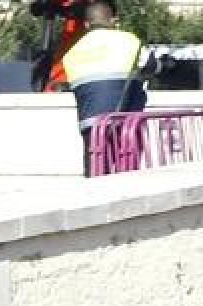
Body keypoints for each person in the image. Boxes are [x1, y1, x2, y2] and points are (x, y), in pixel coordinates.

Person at [63, 0, 171, 175]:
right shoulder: (128, 41)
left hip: (91, 126)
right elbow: (151, 66)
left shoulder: (71, 53)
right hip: (124, 122)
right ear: (113, 21)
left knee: (95, 172)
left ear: (86, 24)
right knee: (126, 173)